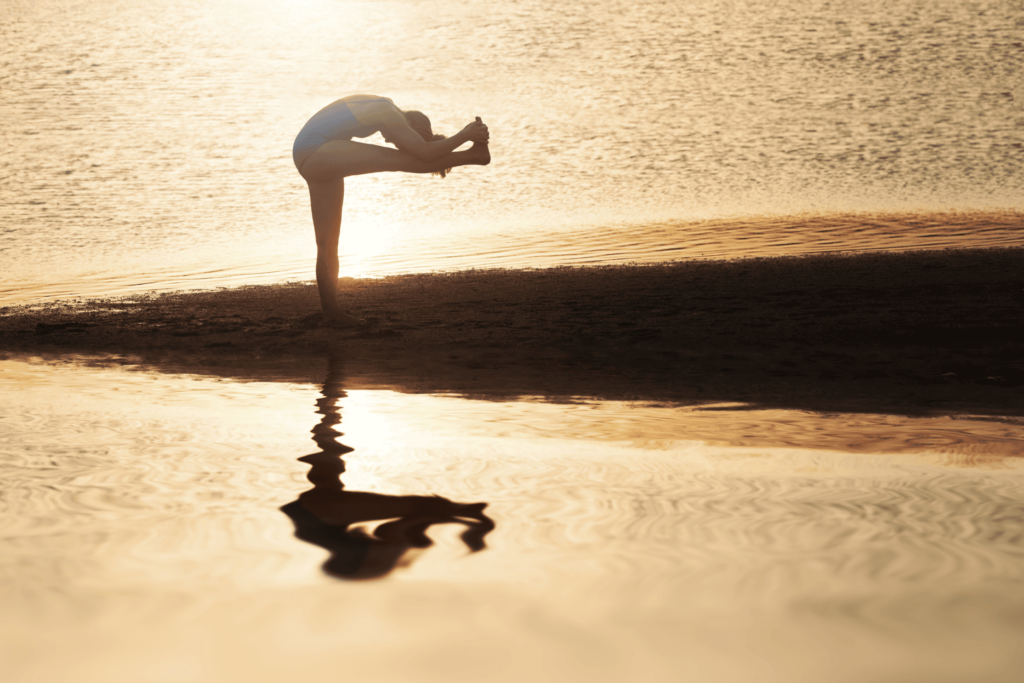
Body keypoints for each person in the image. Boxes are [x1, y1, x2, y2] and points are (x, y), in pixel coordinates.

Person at [292, 95, 491, 327]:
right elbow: (425, 153)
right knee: (397, 160)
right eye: (398, 139)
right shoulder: (388, 113)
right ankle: (474, 156)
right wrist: (465, 135)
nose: (389, 140)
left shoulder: (381, 103)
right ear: (407, 128)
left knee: (327, 243)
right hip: (318, 150)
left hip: (309, 155)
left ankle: (331, 313)